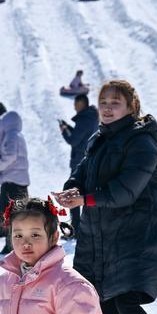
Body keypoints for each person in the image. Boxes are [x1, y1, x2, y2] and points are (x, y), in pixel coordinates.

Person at [53, 79, 157, 314]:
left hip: (139, 236)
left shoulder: (141, 143)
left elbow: (126, 190)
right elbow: (82, 171)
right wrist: (72, 188)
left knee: (126, 299)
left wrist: (86, 200)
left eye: (115, 103)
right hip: (103, 236)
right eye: (103, 102)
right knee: (104, 301)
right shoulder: (99, 139)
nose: (107, 108)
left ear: (131, 107)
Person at [59, 93, 99, 231]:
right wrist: (69, 128)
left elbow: (73, 140)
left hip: (80, 161)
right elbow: (80, 135)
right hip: (90, 159)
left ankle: (75, 227)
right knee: (86, 193)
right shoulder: (93, 116)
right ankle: (83, 226)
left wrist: (64, 131)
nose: (74, 107)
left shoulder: (84, 119)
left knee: (72, 192)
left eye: (75, 104)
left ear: (81, 104)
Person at [0, 111, 30, 254]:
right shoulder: (17, 135)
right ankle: (12, 245)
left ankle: (11, 246)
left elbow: (10, 155)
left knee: (11, 215)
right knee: (17, 215)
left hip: (12, 182)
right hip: (18, 181)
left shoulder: (11, 135)